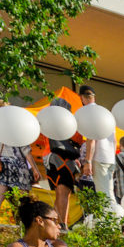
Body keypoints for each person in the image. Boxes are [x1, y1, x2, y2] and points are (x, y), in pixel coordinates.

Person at [43, 98, 81, 230]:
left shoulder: (46, 120)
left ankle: (54, 224)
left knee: (59, 192)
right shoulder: (66, 122)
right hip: (62, 159)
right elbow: (78, 140)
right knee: (64, 192)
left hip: (49, 158)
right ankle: (62, 224)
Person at [79, 85, 117, 207]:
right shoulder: (105, 112)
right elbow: (115, 140)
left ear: (82, 98)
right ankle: (114, 218)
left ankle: (110, 221)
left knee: (103, 194)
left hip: (99, 157)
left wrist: (88, 161)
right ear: (93, 97)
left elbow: (91, 139)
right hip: (110, 157)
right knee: (109, 193)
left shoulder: (89, 113)